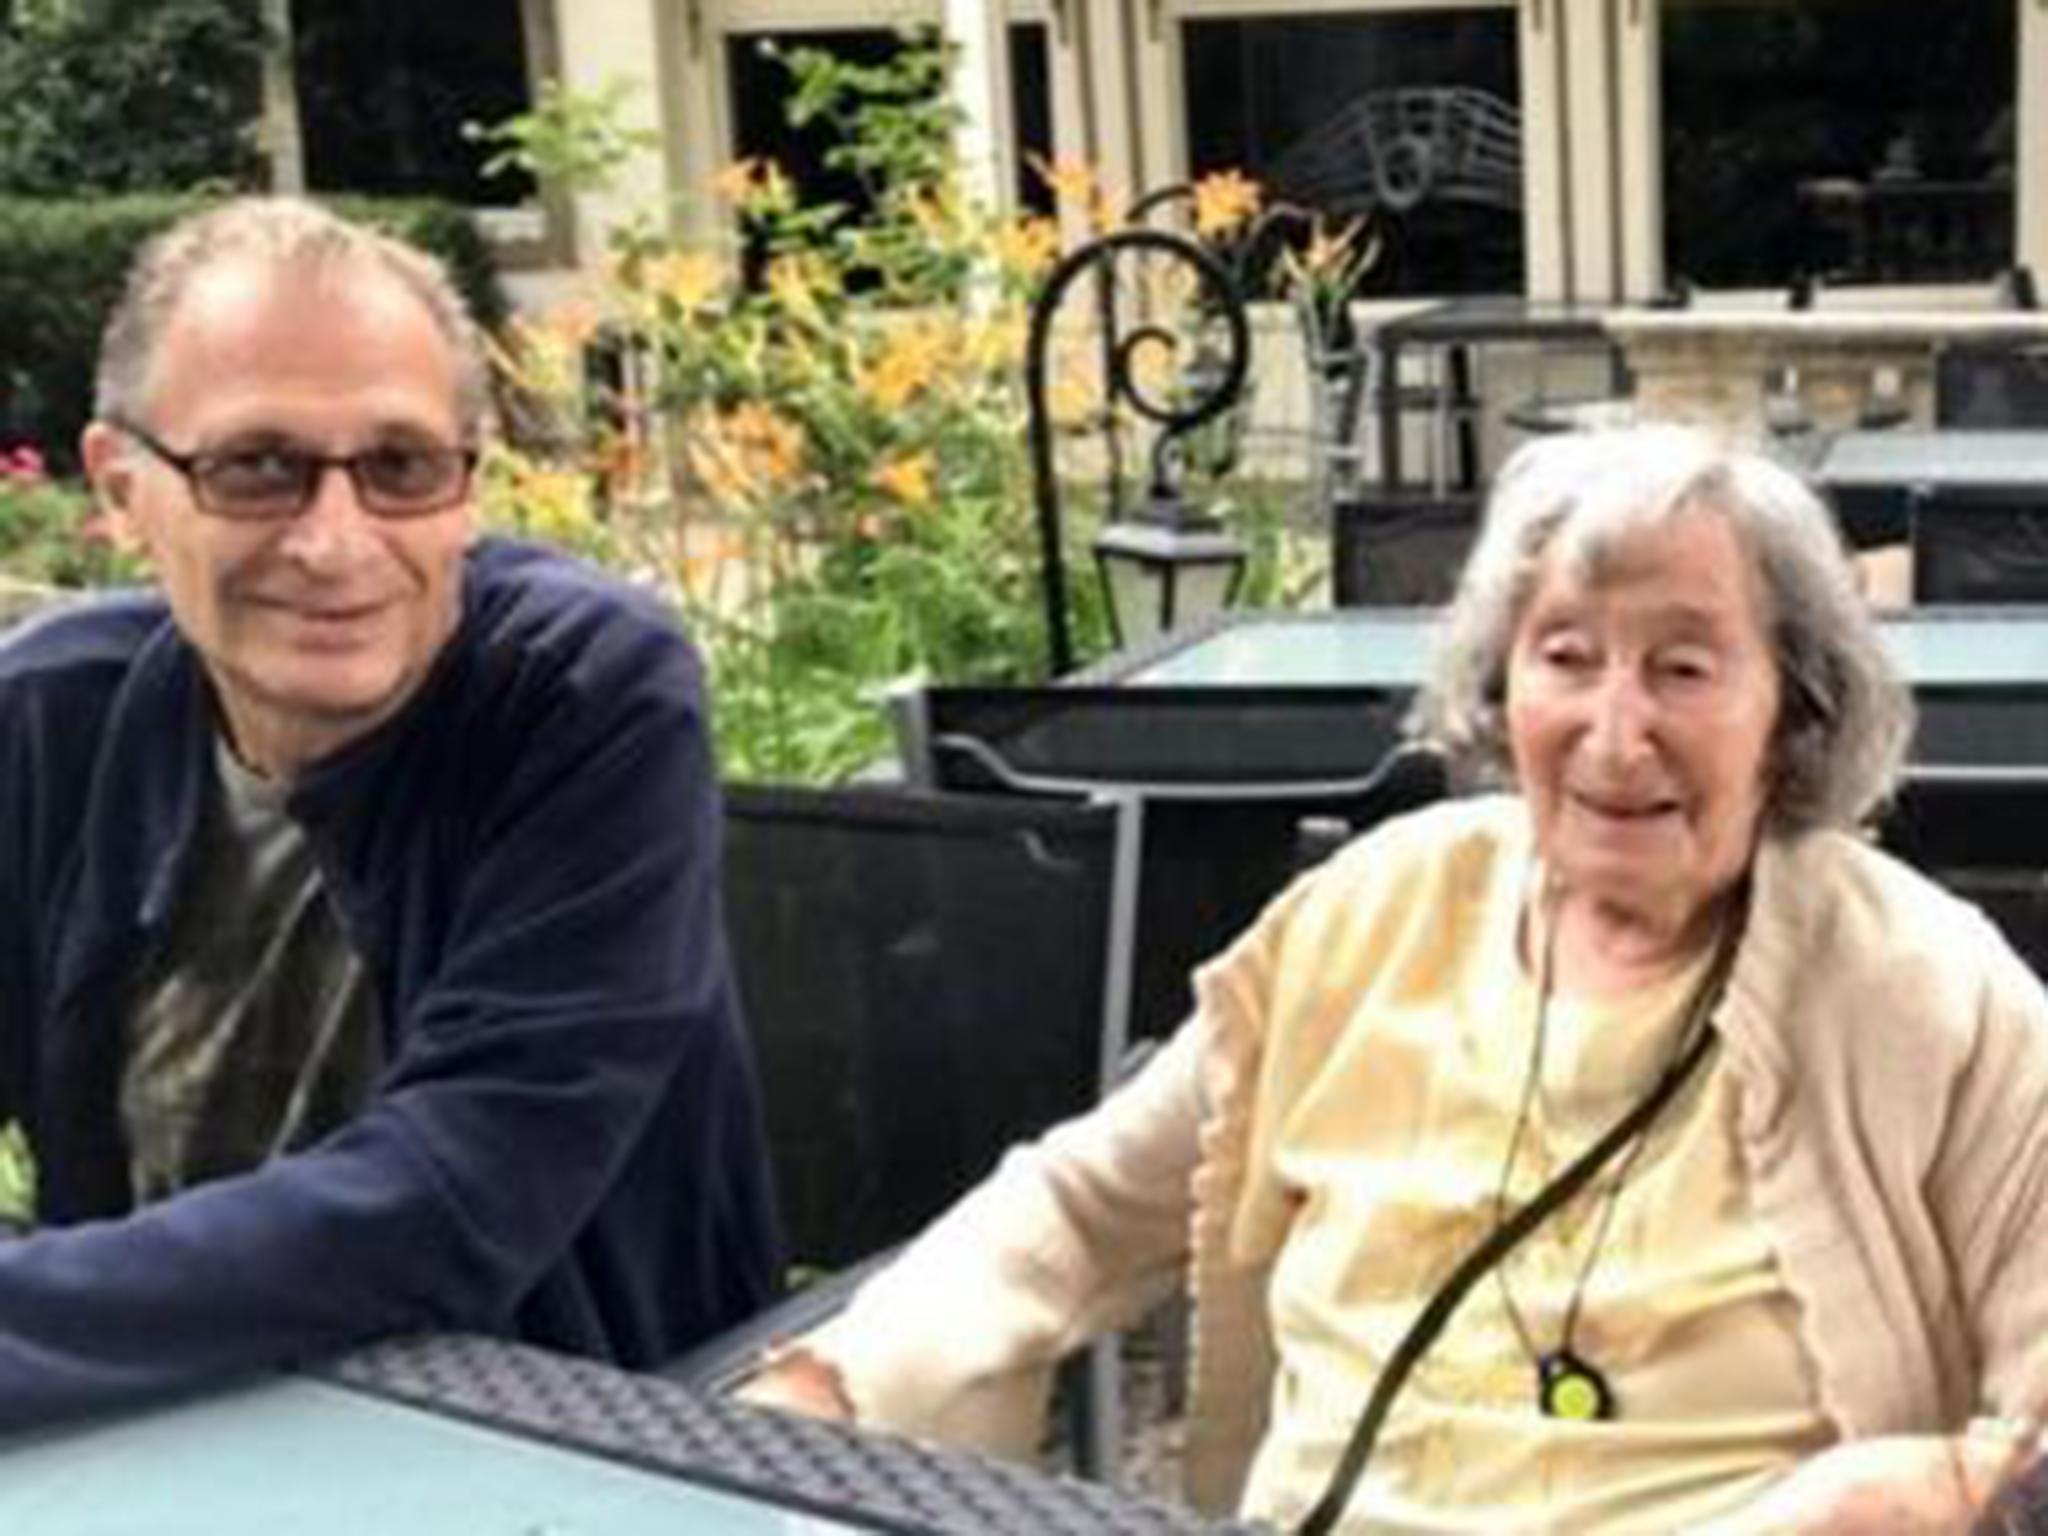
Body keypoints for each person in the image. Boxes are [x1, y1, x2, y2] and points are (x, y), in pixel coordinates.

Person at [749, 424, 2048, 1534]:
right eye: (1566, 655)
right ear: (1500, 688)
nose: (1613, 730)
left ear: (1797, 713)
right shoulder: (1372, 917)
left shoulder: (1922, 991)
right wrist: (828, 1390)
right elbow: (1081, 1211)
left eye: (1683, 666)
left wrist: (1937, 1483)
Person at [0, 197, 780, 1425]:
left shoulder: (580, 697)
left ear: (470, 487)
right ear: (121, 486)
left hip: (568, 1436)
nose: (334, 541)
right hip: (152, 1420)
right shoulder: (52, 718)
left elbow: (459, 1199)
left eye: (400, 467)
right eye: (257, 468)